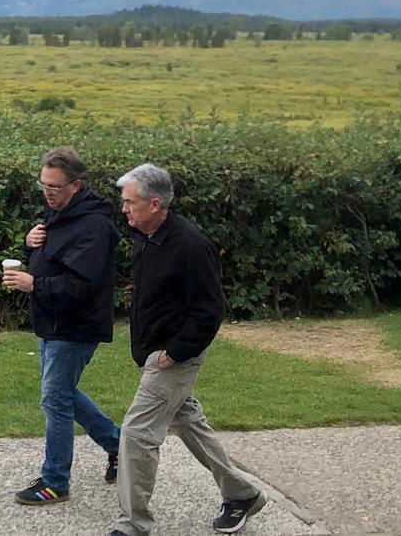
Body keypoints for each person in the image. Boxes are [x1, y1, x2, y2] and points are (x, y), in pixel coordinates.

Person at [108, 164, 265, 536]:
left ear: (155, 203)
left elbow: (210, 309)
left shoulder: (191, 245)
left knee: (136, 435)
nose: (124, 210)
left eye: (130, 203)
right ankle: (242, 494)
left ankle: (133, 525)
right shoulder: (145, 236)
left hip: (173, 357)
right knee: (188, 422)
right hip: (154, 354)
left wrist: (175, 352)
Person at [2, 146, 121, 506]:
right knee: (63, 394)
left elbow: (81, 284)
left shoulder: (94, 225)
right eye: (43, 186)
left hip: (76, 325)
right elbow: (51, 258)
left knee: (55, 399)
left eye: (54, 187)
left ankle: (55, 482)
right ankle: (119, 447)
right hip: (53, 322)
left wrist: (33, 283)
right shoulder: (60, 214)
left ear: (76, 184)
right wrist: (31, 244)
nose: (47, 193)